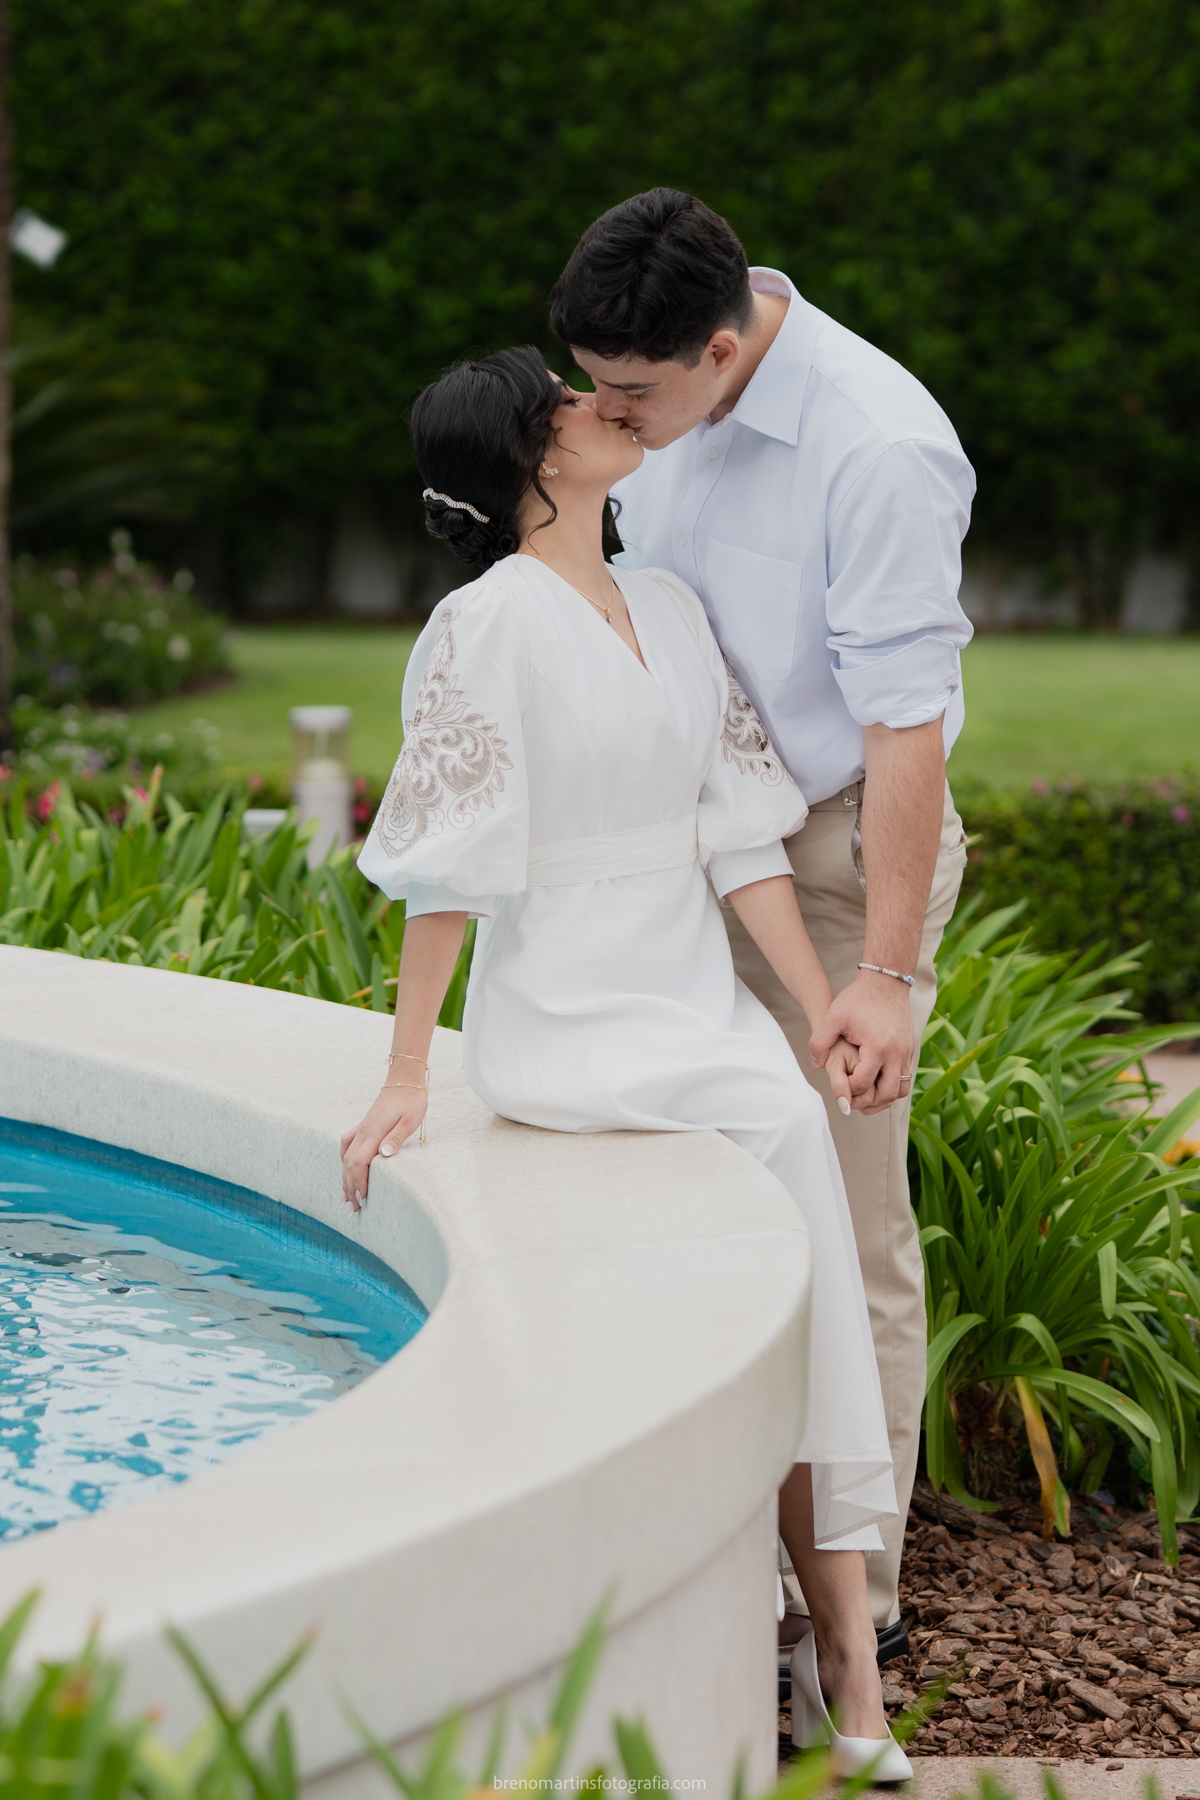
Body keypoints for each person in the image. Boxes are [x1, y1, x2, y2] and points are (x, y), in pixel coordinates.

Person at [343, 345, 911, 1779]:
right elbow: (451, 877)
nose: (606, 404)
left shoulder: (665, 600)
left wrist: (826, 1003)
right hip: (574, 1010)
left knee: (783, 1116)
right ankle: (841, 1656)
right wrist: (413, 1073)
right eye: (571, 400)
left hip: (693, 994)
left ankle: (842, 1653)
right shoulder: (482, 629)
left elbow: (737, 841)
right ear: (535, 458)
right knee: (771, 1147)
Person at [549, 189, 974, 1663]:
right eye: (593, 382)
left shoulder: (880, 444)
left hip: (841, 854)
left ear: (723, 350)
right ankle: (713, 1555)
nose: (600, 414)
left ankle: (854, 1608)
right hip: (686, 852)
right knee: (684, 1204)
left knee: (843, 1229)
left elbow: (903, 725)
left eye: (631, 394)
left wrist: (889, 974)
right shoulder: (657, 400)